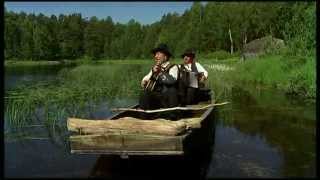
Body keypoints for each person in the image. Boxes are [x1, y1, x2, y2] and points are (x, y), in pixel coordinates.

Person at [139, 43, 179, 110]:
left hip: (168, 99)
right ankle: (145, 114)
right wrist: (144, 82)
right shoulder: (155, 68)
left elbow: (172, 81)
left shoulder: (173, 67)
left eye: (158, 54)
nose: (155, 56)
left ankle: (172, 113)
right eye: (155, 54)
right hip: (157, 98)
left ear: (165, 56)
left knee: (172, 91)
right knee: (144, 93)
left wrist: (160, 72)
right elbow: (145, 78)